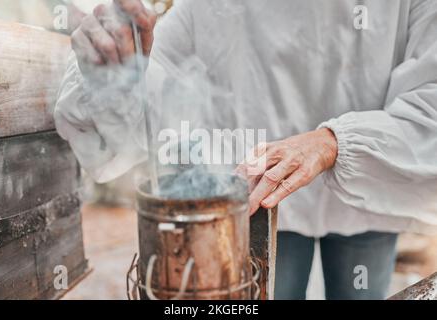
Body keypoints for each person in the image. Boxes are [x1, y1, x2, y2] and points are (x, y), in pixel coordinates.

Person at [55, 0, 437, 299]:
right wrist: (113, 69)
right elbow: (152, 86)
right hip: (261, 201)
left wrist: (333, 142)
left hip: (368, 191)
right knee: (268, 291)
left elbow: (430, 102)